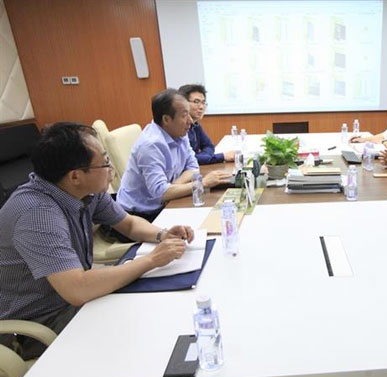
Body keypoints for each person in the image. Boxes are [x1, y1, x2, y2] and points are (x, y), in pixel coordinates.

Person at [0, 122, 193, 359]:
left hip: (71, 300)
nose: (112, 169)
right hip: (36, 325)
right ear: (75, 176)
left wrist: (163, 234)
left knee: (155, 311)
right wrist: (152, 259)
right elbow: (78, 289)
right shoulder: (37, 214)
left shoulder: (84, 190)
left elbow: (129, 224)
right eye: (105, 162)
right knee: (142, 334)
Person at [116, 88, 232, 222]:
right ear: (166, 119)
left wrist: (174, 186)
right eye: (184, 115)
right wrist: (203, 183)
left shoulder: (179, 132)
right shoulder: (150, 145)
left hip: (165, 203)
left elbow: (193, 167)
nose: (190, 121)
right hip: (139, 215)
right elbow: (160, 193)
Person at [178, 83, 235, 165]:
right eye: (196, 102)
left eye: (203, 102)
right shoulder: (178, 128)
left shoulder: (195, 125)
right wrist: (221, 156)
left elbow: (209, 146)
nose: (201, 107)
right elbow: (187, 159)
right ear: (183, 103)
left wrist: (204, 158)